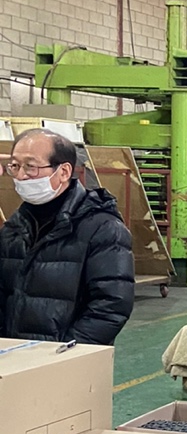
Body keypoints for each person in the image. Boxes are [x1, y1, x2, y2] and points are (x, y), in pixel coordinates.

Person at [0, 129, 134, 344]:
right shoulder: (14, 228)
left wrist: (66, 351)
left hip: (67, 356)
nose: (21, 176)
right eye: (15, 166)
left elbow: (111, 305)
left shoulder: (103, 228)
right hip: (16, 355)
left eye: (31, 167)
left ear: (63, 172)